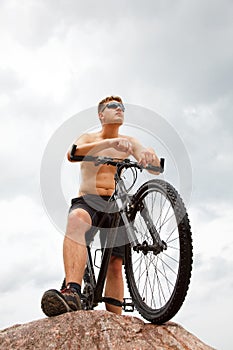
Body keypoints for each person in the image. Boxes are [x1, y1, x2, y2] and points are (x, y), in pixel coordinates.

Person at [41, 95, 160, 317]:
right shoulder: (89, 137)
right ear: (101, 115)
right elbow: (72, 153)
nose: (119, 109)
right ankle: (72, 292)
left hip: (115, 205)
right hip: (89, 201)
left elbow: (151, 166)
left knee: (115, 263)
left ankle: (116, 322)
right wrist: (108, 144)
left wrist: (149, 154)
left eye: (121, 107)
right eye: (112, 106)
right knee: (76, 219)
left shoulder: (129, 142)